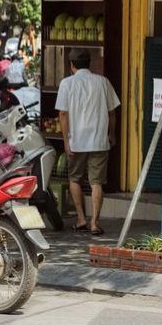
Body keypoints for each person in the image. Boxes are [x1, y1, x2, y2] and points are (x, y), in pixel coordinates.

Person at [56, 49, 120, 235]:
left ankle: (81, 219)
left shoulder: (66, 84)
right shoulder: (103, 82)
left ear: (71, 65)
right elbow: (112, 112)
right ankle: (94, 222)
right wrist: (112, 134)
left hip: (76, 141)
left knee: (74, 179)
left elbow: (63, 114)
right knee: (96, 182)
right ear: (89, 63)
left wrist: (66, 141)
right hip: (99, 140)